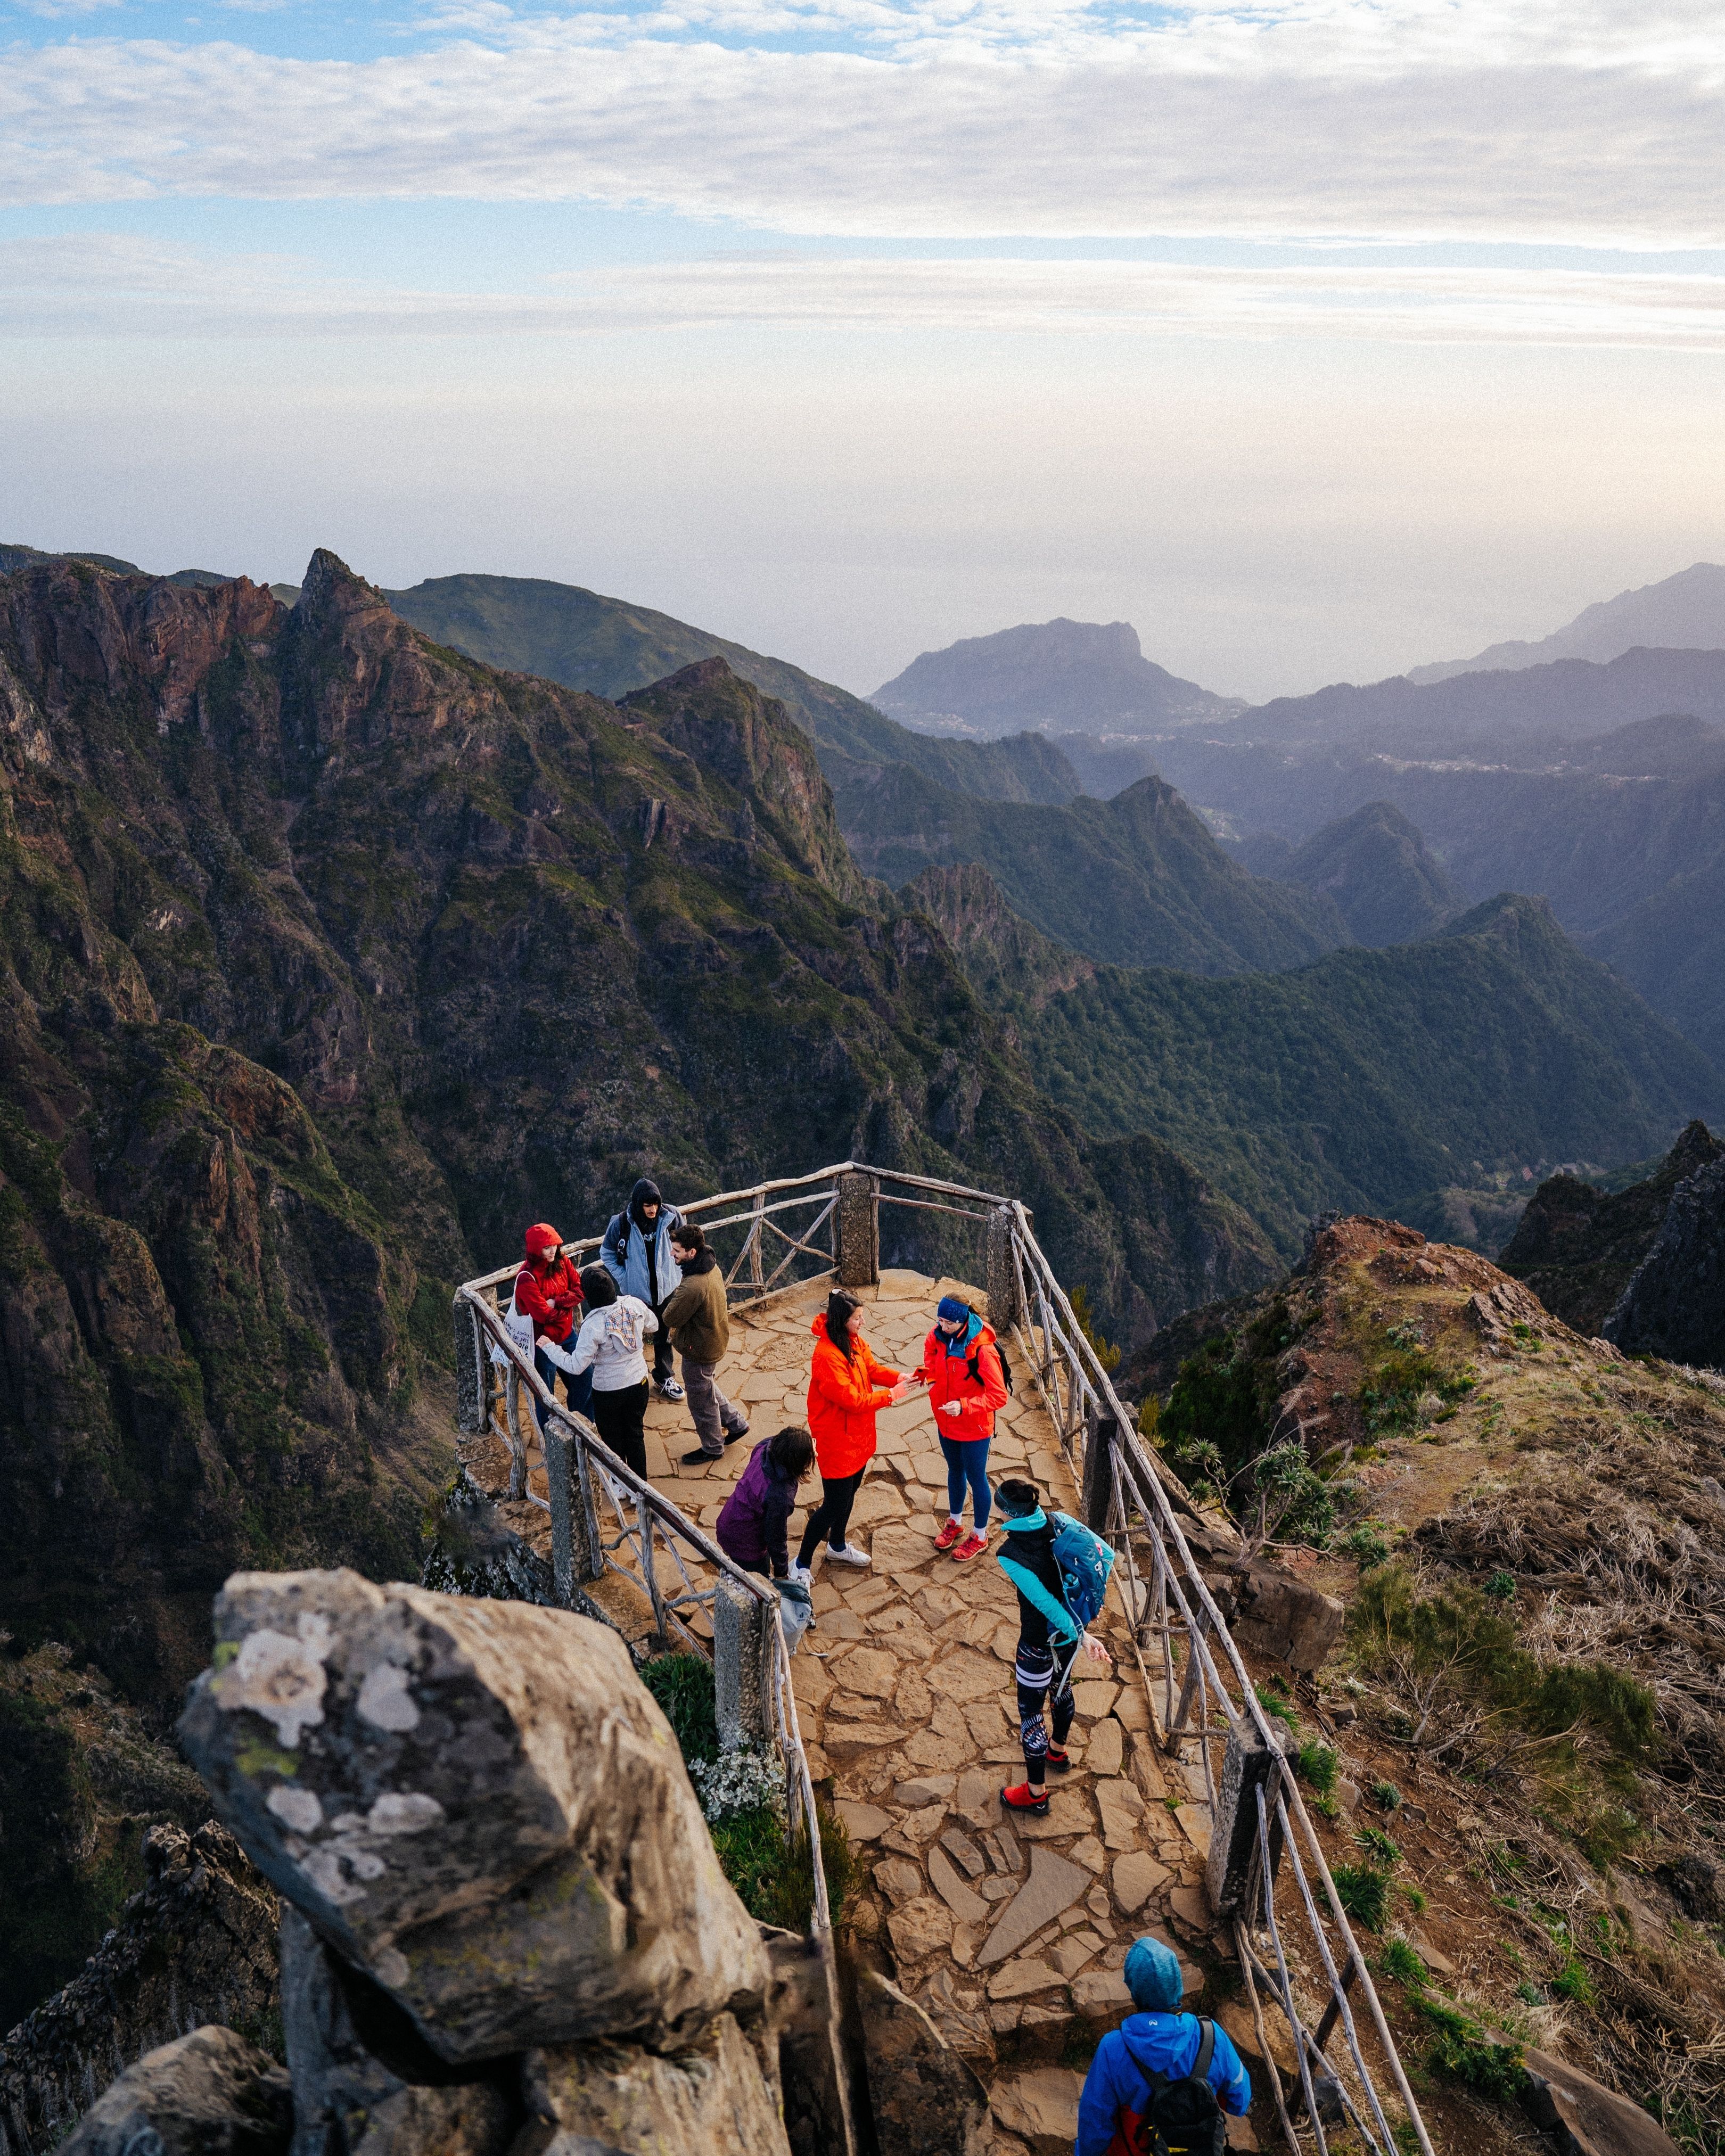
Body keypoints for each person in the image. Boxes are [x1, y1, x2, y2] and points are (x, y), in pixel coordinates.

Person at [993, 1476, 1111, 1814]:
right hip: (1067, 1639)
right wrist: (1080, 1633)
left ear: (1009, 1514)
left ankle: (1035, 1793)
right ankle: (1057, 1751)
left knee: (1031, 1714)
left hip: (1038, 1642)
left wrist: (1083, 1636)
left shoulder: (1011, 1554)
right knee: (1062, 1690)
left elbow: (1043, 1603)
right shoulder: (1056, 1521)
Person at [1075, 1935, 1251, 2155]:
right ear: (1177, 1983)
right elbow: (1240, 2102)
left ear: (1133, 1989)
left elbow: (1094, 2128)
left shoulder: (1113, 2049)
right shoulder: (1211, 2035)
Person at [793, 1289, 910, 1579]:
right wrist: (892, 1395)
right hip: (838, 1440)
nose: (863, 1322)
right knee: (832, 1505)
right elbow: (853, 1400)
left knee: (849, 1494)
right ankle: (801, 1563)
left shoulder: (852, 1341)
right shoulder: (827, 1357)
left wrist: (899, 1377)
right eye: (858, 1318)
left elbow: (870, 1368)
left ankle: (838, 1544)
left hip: (857, 1436)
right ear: (843, 1320)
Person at [914, 1294, 1008, 1561]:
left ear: (962, 1320)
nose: (942, 1327)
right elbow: (930, 1354)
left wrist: (964, 1406)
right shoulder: (938, 1334)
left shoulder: (983, 1349)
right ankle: (955, 1521)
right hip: (946, 1420)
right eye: (940, 1321)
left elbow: (999, 1396)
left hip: (974, 1427)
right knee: (955, 1470)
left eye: (948, 1323)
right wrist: (930, 1376)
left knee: (976, 1478)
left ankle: (980, 1535)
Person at [540, 1264, 657, 1477]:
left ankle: (620, 1484)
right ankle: (640, 1487)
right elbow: (654, 1325)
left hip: (609, 1391)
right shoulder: (634, 1305)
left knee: (613, 1439)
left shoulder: (593, 1325)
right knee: (635, 1433)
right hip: (639, 1382)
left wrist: (550, 1348)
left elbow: (576, 1366)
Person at [660, 1221, 750, 1466]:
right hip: (715, 1338)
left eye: (676, 1251)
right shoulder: (710, 1264)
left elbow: (670, 1317)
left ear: (691, 1253)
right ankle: (736, 1424)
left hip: (699, 1349)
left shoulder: (693, 1285)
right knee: (705, 1385)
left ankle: (712, 1447)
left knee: (700, 1399)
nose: (672, 1254)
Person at [601, 1177, 685, 1401]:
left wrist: (677, 1271)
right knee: (633, 1338)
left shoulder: (671, 1217)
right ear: (639, 1204)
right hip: (636, 1294)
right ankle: (634, 1381)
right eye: (648, 1205)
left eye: (656, 1204)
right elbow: (607, 1252)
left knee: (664, 1335)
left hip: (666, 1289)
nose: (653, 1209)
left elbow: (684, 1244)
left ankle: (664, 1376)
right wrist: (625, 1278)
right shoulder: (621, 1224)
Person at [513, 1223, 585, 1436]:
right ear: (536, 1249)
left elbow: (580, 1290)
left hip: (567, 1335)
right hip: (542, 1343)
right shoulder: (526, 1278)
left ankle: (580, 1426)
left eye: (554, 1244)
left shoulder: (562, 1261)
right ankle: (551, 1438)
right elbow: (543, 1315)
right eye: (547, 1247)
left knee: (584, 1380)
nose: (553, 1250)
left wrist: (558, 1301)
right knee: (546, 1396)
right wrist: (566, 1307)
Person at [717, 1425, 815, 1580]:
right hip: (745, 1542)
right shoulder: (780, 1495)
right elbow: (776, 1535)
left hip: (730, 1519)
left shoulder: (765, 1447)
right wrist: (781, 1572)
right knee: (758, 1586)